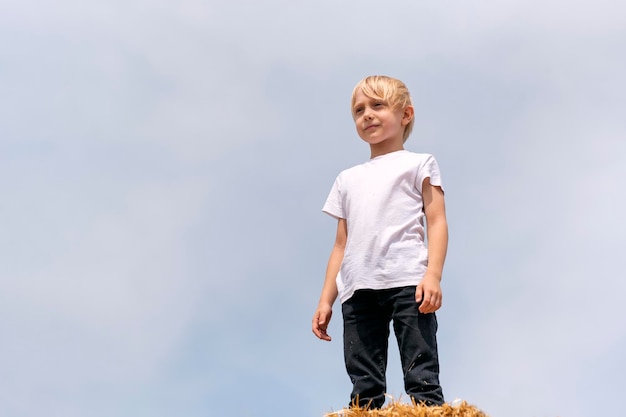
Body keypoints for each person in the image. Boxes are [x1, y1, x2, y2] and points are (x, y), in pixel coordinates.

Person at [312, 75, 448, 409]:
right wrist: (326, 299)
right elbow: (340, 245)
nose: (367, 115)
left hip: (408, 281)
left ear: (405, 115)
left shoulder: (419, 163)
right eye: (359, 110)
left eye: (377, 105)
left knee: (421, 373)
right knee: (364, 384)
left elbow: (437, 221)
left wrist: (433, 275)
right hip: (358, 289)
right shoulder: (347, 179)